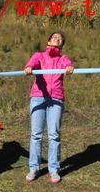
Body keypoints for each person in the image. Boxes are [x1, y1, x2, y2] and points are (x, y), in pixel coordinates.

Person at [24, 31, 74, 183]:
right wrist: (29, 67)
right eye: (54, 37)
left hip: (56, 98)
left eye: (60, 39)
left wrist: (69, 67)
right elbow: (31, 64)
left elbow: (68, 64)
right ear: (48, 41)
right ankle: (34, 168)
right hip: (38, 97)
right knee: (36, 134)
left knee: (54, 135)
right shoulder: (39, 56)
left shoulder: (63, 58)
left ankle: (54, 169)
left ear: (62, 44)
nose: (57, 39)